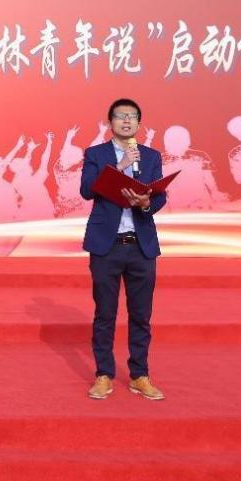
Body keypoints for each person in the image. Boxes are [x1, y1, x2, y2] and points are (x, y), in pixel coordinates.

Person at [79, 98, 168, 401]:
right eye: (120, 116)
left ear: (139, 124)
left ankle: (140, 375)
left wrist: (147, 203)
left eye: (132, 116)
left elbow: (160, 197)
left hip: (141, 245)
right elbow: (87, 190)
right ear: (110, 123)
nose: (127, 121)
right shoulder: (96, 154)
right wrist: (120, 167)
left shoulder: (152, 156)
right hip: (107, 245)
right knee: (105, 313)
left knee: (141, 315)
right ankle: (103, 374)